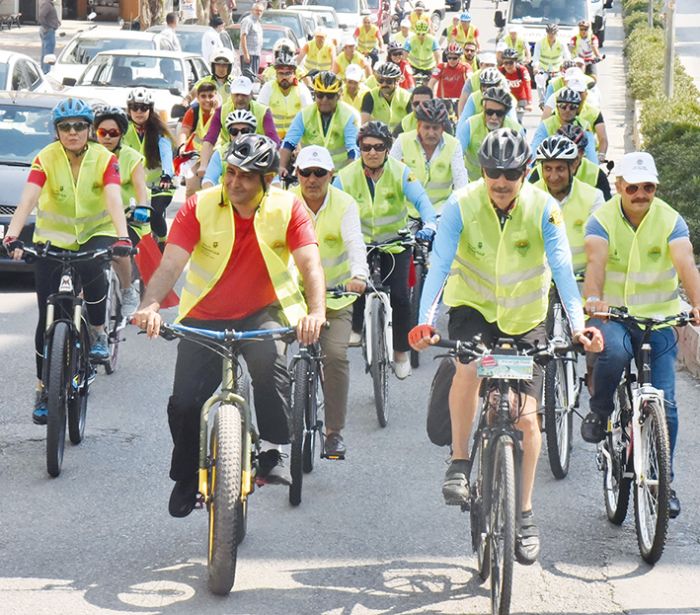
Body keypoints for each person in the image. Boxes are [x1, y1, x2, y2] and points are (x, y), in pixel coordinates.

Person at [409, 128, 603, 564]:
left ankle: (526, 513)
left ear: (525, 171)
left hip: (525, 320)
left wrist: (578, 326)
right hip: (472, 310)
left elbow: (561, 271)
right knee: (468, 368)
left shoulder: (543, 208)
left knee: (528, 423)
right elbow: (438, 266)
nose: (501, 181)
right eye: (493, 172)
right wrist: (423, 323)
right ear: (482, 170)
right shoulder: (461, 205)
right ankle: (460, 461)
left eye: (510, 173)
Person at [132, 135, 326, 518]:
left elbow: (309, 264)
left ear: (267, 179)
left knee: (270, 369)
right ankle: (187, 474)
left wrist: (315, 312)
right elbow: (170, 265)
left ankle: (272, 449)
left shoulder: (289, 208)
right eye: (231, 173)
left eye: (246, 177)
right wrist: (150, 305)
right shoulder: (199, 207)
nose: (235, 183)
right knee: (185, 403)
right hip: (205, 315)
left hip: (262, 311)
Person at [581, 152, 700, 519]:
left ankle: (666, 482)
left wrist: (697, 304)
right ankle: (601, 412)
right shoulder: (601, 220)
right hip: (614, 316)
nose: (641, 194)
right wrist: (594, 300)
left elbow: (685, 265)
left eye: (648, 187)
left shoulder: (670, 220)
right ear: (619, 187)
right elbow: (596, 265)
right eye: (633, 187)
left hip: (660, 321)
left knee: (669, 406)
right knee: (613, 354)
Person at [2, 99, 132, 424]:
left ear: (89, 129)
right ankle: (44, 388)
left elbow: (114, 198)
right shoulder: (45, 158)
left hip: (96, 235)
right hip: (52, 241)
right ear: (57, 131)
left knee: (95, 272)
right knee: (47, 318)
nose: (72, 132)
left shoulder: (105, 158)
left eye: (78, 126)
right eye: (65, 127)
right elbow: (28, 198)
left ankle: (99, 332)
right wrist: (12, 236)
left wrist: (122, 236)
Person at [333, 121, 438, 379]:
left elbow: (422, 201)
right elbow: (330, 205)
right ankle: (357, 326)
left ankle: (401, 352)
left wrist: (429, 224)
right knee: (355, 284)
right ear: (359, 148)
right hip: (360, 243)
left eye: (379, 147)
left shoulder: (401, 172)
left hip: (395, 242)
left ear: (388, 149)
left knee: (401, 297)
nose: (372, 152)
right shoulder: (344, 177)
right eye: (366, 147)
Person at [290, 146, 369, 457]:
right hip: (292, 298)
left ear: (331, 175)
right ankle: (275, 435)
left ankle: (333, 431)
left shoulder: (345, 203)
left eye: (319, 173)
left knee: (335, 357)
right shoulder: (285, 203)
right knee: (271, 357)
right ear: (296, 174)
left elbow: (354, 242)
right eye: (306, 173)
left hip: (336, 297)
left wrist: (359, 275)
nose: (312, 179)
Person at [93, 105, 148, 315]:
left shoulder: (131, 157)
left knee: (119, 245)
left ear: (121, 134)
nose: (107, 137)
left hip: (128, 217)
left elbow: (141, 187)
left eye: (113, 133)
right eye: (102, 133)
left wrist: (142, 208)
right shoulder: (87, 156)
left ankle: (127, 290)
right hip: (93, 218)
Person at [532, 135, 604, 273]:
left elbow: (600, 246)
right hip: (541, 279)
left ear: (573, 167)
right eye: (548, 169)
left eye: (560, 169)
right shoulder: (528, 196)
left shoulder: (593, 197)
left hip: (580, 278)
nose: (553, 177)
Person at [390, 99, 468, 211]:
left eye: (435, 128)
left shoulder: (454, 145)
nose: (431, 133)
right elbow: (389, 175)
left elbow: (461, 183)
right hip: (407, 212)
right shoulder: (402, 141)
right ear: (418, 126)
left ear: (442, 128)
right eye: (426, 127)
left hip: (441, 212)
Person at [123, 88, 176, 249]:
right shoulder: (122, 129)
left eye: (144, 108)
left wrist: (167, 176)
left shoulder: (159, 131)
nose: (139, 112)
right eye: (135, 107)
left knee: (154, 212)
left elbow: (167, 155)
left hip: (159, 185)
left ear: (150, 110)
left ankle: (162, 240)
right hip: (133, 184)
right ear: (129, 109)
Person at [197, 76, 279, 179]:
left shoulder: (263, 111)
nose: (240, 98)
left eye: (244, 95)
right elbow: (210, 139)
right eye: (237, 94)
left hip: (256, 156)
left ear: (251, 95)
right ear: (231, 95)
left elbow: (273, 140)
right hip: (227, 155)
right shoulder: (221, 111)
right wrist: (203, 166)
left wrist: (275, 163)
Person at [279, 71, 360, 176]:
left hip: (338, 175)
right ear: (314, 95)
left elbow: (353, 151)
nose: (324, 100)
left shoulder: (349, 116)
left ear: (338, 96)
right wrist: (281, 167)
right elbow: (288, 143)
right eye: (320, 95)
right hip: (308, 173)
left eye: (330, 96)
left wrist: (346, 176)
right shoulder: (304, 114)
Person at [458, 85, 523, 179]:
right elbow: (457, 154)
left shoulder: (516, 129)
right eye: (489, 112)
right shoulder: (470, 125)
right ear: (483, 109)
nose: (494, 117)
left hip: (501, 184)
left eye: (499, 113)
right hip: (472, 182)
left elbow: (523, 163)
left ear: (505, 113)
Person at [542, 77, 608, 163]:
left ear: (586, 94)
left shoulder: (593, 111)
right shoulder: (554, 106)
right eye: (563, 106)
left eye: (580, 93)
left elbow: (602, 138)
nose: (567, 110)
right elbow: (539, 140)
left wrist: (600, 156)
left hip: (584, 157)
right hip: (557, 156)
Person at [531, 88, 598, 164]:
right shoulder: (546, 124)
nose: (567, 110)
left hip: (577, 164)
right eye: (563, 106)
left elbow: (591, 153)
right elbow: (535, 149)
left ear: (578, 109)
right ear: (557, 107)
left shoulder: (584, 125)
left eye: (572, 106)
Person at [257, 52, 312, 141]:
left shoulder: (302, 89)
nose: (284, 77)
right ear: (276, 74)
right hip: (271, 139)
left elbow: (309, 117)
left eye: (288, 73)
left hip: (296, 139)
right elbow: (259, 114)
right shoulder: (268, 87)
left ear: (294, 74)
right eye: (281, 73)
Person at [177, 82, 219, 197]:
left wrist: (217, 110)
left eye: (211, 96)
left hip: (215, 155)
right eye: (203, 96)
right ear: (198, 98)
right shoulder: (193, 111)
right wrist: (182, 146)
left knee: (213, 190)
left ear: (216, 96)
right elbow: (184, 131)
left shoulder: (221, 111)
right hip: (194, 156)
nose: (207, 100)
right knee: (192, 189)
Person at [202, 110, 258, 189]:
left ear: (253, 132)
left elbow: (274, 182)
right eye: (234, 131)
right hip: (227, 197)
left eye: (245, 131)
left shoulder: (263, 151)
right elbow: (209, 179)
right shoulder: (220, 153)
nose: (239, 135)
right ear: (229, 134)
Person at [361, 62, 411, 133]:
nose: (384, 84)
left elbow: (413, 123)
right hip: (378, 136)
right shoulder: (370, 96)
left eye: (389, 81)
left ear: (397, 81)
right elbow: (364, 123)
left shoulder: (407, 97)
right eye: (381, 80)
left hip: (401, 137)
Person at [499, 48, 532, 124]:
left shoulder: (522, 70)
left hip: (521, 99)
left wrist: (529, 103)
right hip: (507, 98)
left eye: (511, 63)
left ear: (516, 62)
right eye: (505, 63)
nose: (508, 66)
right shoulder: (501, 71)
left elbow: (527, 86)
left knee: (517, 122)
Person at [240, 2, 264, 75]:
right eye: (257, 10)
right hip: (249, 54)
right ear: (252, 10)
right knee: (248, 77)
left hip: (256, 54)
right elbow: (243, 36)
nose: (258, 12)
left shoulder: (257, 23)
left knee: (253, 77)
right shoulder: (247, 21)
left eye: (260, 11)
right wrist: (246, 54)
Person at [38, 0, 60, 73]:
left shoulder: (49, 4)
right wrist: (47, 26)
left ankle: (43, 70)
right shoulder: (47, 4)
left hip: (48, 29)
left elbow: (49, 16)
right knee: (48, 53)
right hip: (48, 30)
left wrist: (56, 22)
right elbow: (41, 16)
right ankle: (46, 71)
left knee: (45, 51)